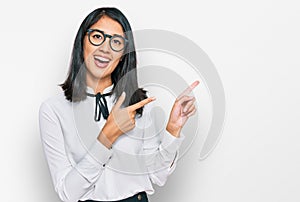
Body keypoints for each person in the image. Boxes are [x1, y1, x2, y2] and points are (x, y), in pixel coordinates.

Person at [39, 7, 199, 202]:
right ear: (82, 42)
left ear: (123, 53)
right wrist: (107, 135)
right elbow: (68, 193)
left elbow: (157, 176)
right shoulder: (54, 110)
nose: (105, 48)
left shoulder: (138, 104)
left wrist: (173, 129)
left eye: (116, 42)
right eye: (97, 37)